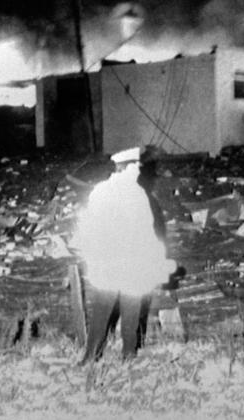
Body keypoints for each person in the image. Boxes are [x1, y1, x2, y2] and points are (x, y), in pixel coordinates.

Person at [72, 147, 177, 363]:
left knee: (103, 311)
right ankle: (127, 358)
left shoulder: (100, 191)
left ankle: (91, 357)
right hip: (130, 261)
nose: (138, 171)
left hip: (109, 262)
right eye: (135, 167)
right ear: (126, 168)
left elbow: (89, 226)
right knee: (130, 311)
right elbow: (146, 231)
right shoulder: (137, 194)